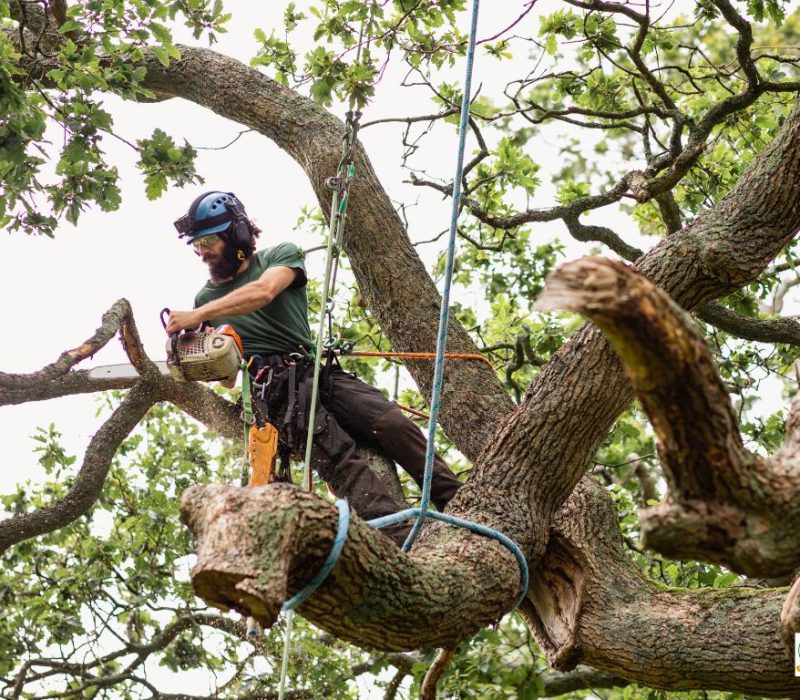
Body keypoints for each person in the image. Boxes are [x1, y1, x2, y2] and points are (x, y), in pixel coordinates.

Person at [166, 190, 462, 546]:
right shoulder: (206, 299)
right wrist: (202, 353)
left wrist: (200, 315)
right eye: (197, 244)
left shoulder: (279, 256)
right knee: (339, 455)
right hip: (274, 389)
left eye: (209, 241)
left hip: (314, 371)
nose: (202, 251)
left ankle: (459, 503)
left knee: (391, 422)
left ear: (237, 234)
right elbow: (230, 380)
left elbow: (263, 292)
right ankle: (401, 540)